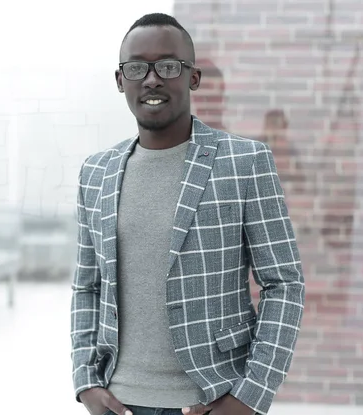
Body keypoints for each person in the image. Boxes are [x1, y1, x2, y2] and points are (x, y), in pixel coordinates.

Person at [70, 13, 305, 415]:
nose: (152, 79)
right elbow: (87, 286)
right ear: (120, 80)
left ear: (192, 77)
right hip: (120, 400)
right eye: (137, 67)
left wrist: (250, 395)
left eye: (168, 65)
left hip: (214, 396)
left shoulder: (246, 162)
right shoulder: (96, 172)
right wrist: (85, 381)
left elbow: (284, 283)